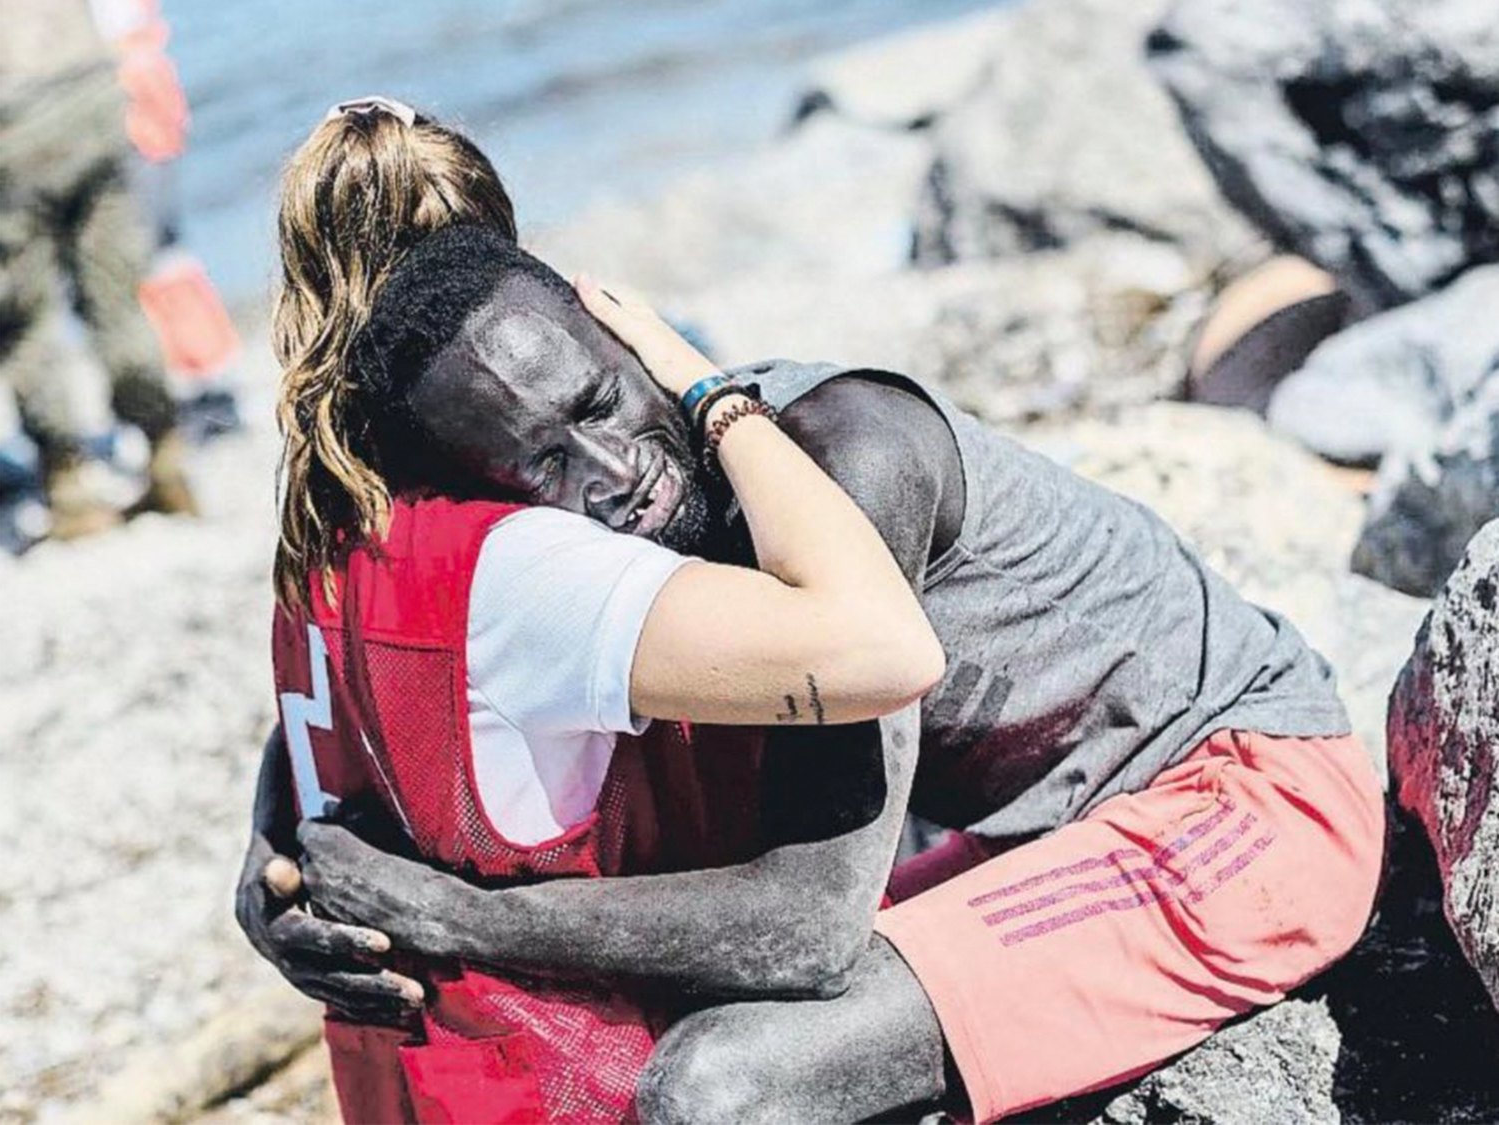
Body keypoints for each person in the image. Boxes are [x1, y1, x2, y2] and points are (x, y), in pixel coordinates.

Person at [239, 102, 1386, 1123]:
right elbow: (392, 657)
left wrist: (459, 921)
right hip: (1046, 830)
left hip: (1239, 800)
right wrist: (282, 852)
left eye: (602, 402)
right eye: (544, 466)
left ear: (630, 333)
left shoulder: (845, 452)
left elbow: (807, 926)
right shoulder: (603, 537)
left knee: (717, 1081)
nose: (611, 472)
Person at [257, 98, 941, 1123]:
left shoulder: (326, 538)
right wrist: (713, 396)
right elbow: (881, 651)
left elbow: (324, 737)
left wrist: (270, 859)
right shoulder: (522, 564)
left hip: (406, 1086)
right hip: (572, 1079)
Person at [0, 0, 197, 537]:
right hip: (90, 94)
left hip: (13, 121)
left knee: (25, 316)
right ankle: (164, 447)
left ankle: (70, 483)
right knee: (115, 293)